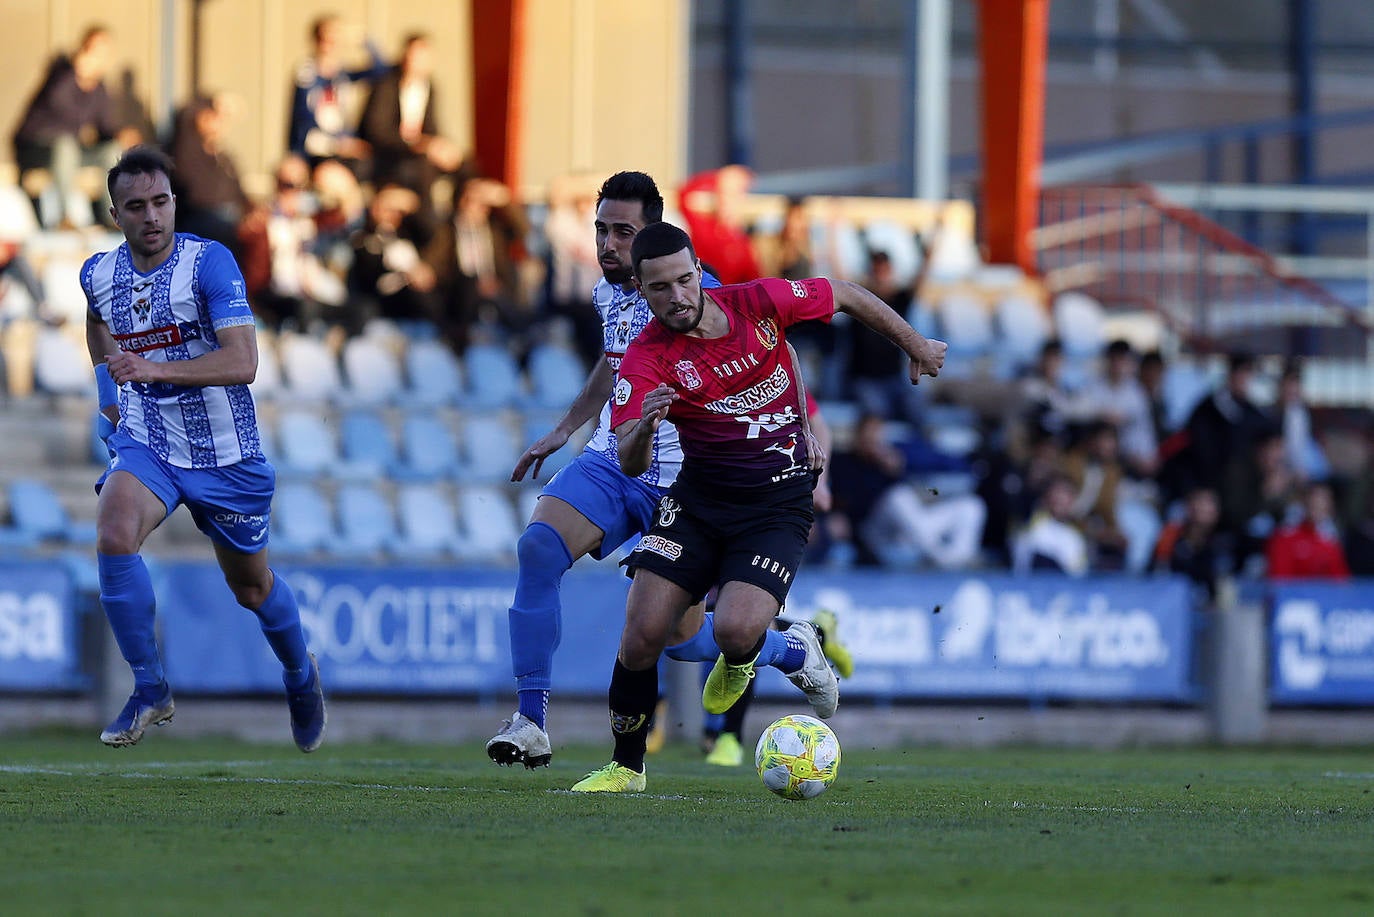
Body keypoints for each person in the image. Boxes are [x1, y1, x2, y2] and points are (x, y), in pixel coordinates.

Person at [571, 220, 946, 792]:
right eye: (659, 289)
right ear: (641, 293)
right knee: (644, 630)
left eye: (682, 280)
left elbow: (843, 294)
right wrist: (645, 426)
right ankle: (626, 768)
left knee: (736, 631)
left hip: (776, 502)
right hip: (698, 500)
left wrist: (914, 344)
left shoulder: (755, 302)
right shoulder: (647, 359)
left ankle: (794, 649)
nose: (676, 297)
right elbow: (628, 461)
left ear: (699, 271)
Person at [485, 172, 837, 771]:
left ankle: (787, 647)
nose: (607, 245)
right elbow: (614, 358)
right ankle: (530, 720)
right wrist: (569, 427)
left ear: (657, 239)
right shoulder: (610, 292)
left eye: (623, 232)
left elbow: (782, 347)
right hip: (618, 458)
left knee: (677, 640)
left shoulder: (697, 290)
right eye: (601, 230)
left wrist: (806, 431)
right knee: (539, 548)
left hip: (688, 478)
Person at [81, 146, 325, 752]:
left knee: (252, 587)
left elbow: (244, 362)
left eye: (160, 202)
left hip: (226, 456)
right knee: (113, 533)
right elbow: (96, 322)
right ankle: (149, 688)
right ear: (117, 215)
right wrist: (109, 396)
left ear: (174, 203)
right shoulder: (98, 274)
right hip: (149, 443)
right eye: (135, 206)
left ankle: (300, 674)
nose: (152, 216)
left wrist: (151, 369)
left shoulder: (208, 264)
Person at [12, 24, 133, 228]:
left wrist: (120, 135)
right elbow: (57, 108)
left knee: (111, 151)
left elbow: (104, 127)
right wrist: (77, 76)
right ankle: (64, 216)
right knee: (65, 146)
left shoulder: (99, 87)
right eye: (95, 51)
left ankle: (112, 216)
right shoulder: (61, 74)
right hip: (36, 148)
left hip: (71, 152)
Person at [356, 32, 466, 202]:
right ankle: (428, 224)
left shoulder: (430, 87)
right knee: (423, 168)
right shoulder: (386, 85)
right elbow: (377, 131)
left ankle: (464, 220)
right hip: (390, 156)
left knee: (464, 165)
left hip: (418, 151)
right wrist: (417, 144)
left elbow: (432, 128)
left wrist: (441, 146)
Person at [287, 14, 385, 175]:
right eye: (325, 38)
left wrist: (364, 40)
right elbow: (304, 122)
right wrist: (338, 144)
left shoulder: (342, 76)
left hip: (342, 149)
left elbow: (380, 71)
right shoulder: (306, 74)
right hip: (315, 151)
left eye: (335, 39)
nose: (330, 45)